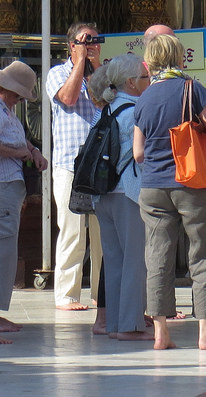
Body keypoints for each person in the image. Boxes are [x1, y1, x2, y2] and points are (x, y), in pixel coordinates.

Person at [133, 34, 206, 350]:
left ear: (149, 62)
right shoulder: (191, 89)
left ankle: (161, 333)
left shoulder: (144, 97)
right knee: (203, 252)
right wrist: (202, 128)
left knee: (157, 256)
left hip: (152, 186)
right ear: (181, 59)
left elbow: (138, 152)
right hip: (191, 182)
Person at [87, 54, 152, 341]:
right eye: (144, 77)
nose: (147, 82)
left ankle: (114, 324)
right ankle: (130, 326)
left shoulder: (105, 110)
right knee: (135, 260)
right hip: (130, 193)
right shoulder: (138, 111)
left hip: (103, 194)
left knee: (113, 260)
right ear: (131, 82)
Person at [46, 22, 103, 311]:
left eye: (95, 40)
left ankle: (99, 293)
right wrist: (80, 62)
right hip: (69, 164)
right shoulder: (57, 73)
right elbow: (68, 98)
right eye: (86, 40)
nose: (92, 44)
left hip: (100, 166)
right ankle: (67, 294)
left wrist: (96, 67)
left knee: (102, 233)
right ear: (72, 45)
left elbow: (107, 101)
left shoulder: (102, 73)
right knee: (72, 231)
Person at [0, 61, 48, 344]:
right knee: (3, 249)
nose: (19, 99)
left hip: (10, 187)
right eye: (18, 94)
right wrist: (20, 153)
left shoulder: (9, 113)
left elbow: (22, 141)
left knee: (6, 250)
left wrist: (33, 151)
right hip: (3, 185)